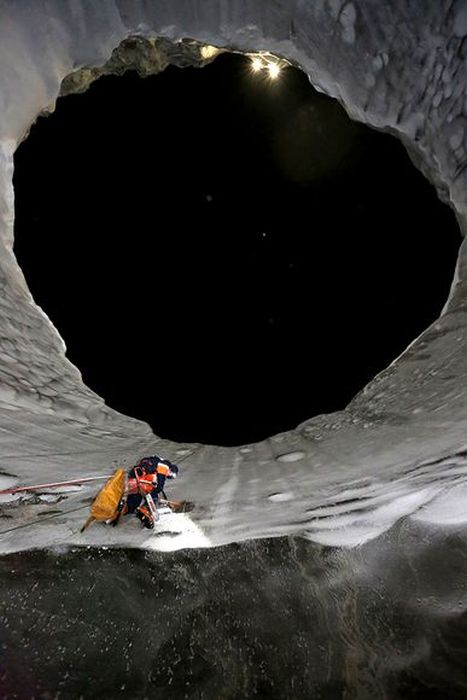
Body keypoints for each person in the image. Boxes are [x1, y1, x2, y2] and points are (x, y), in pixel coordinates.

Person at [124, 455, 180, 528]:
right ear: (171, 470)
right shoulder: (165, 466)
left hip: (135, 476)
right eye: (171, 475)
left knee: (136, 497)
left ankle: (126, 509)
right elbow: (160, 484)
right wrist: (155, 492)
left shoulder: (155, 461)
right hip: (143, 477)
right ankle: (145, 509)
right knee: (152, 492)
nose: (169, 476)